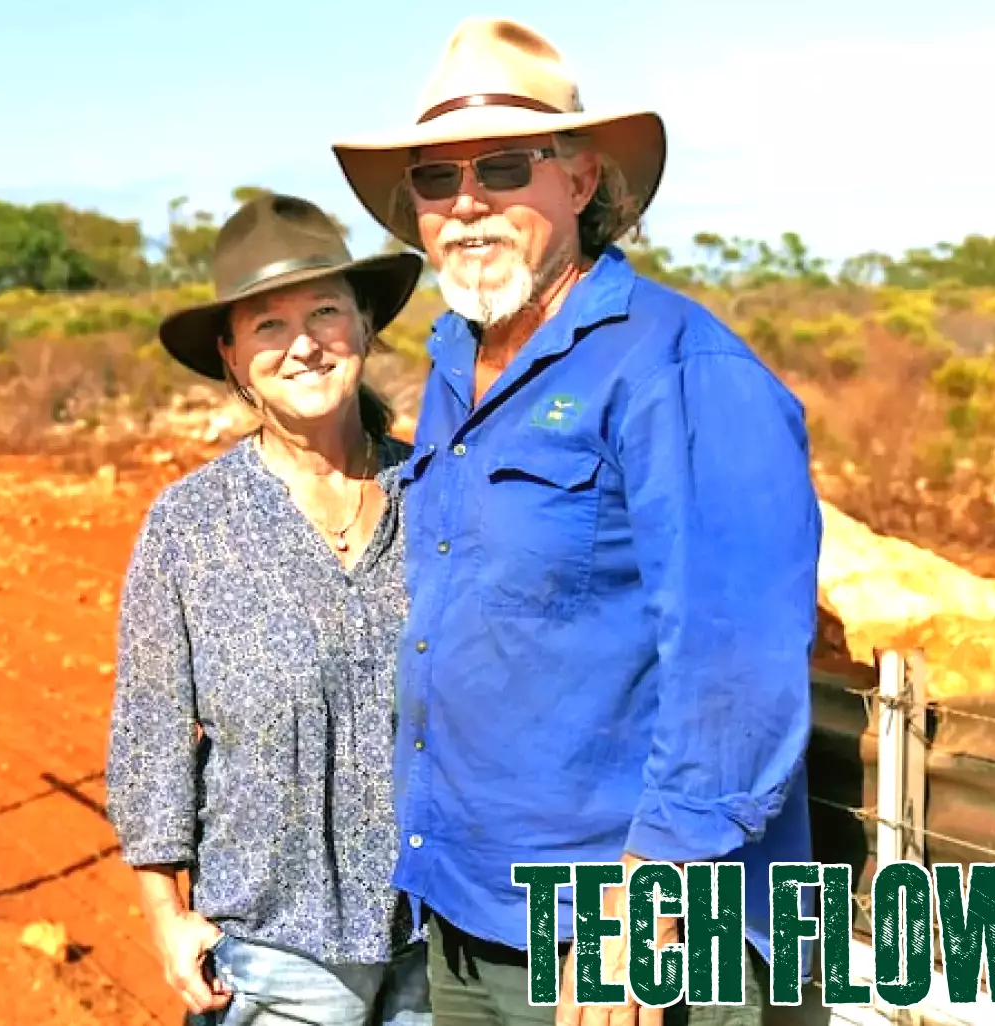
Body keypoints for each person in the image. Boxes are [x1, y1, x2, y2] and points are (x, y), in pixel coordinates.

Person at [328, 17, 822, 1026]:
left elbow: (735, 655)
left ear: (583, 181)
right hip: (471, 913)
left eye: (504, 167)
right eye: (433, 179)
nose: (466, 204)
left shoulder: (678, 366)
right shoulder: (457, 360)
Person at [105, 192, 432, 1026]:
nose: (303, 345)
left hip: (441, 944)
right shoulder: (190, 526)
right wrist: (164, 915)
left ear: (364, 324)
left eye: (325, 310)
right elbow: (149, 735)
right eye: (267, 326)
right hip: (273, 954)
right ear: (231, 356)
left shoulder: (437, 491)